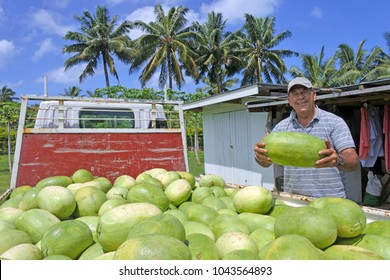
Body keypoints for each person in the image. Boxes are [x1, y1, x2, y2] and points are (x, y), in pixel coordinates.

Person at [254, 77, 360, 198]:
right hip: (294, 200)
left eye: (304, 92)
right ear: (289, 100)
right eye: (294, 94)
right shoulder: (280, 128)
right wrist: (259, 157)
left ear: (314, 95)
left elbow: (354, 162)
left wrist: (338, 160)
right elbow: (266, 163)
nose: (300, 97)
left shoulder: (334, 122)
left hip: (330, 202)